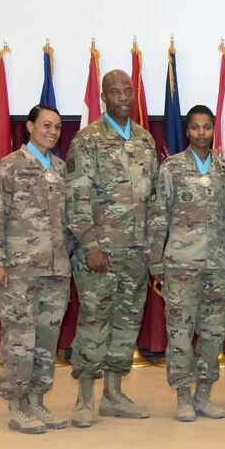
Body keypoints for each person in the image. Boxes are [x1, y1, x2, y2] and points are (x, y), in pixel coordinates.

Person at [66, 69, 158, 427]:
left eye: (127, 91)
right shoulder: (87, 140)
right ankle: (85, 398)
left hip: (135, 253)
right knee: (93, 323)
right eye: (114, 92)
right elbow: (77, 197)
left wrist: (151, 249)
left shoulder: (145, 140)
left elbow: (151, 199)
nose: (122, 97)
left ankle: (113, 394)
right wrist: (90, 245)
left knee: (126, 324)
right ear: (103, 97)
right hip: (100, 253)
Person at [0, 104, 70, 434]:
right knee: (19, 338)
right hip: (17, 271)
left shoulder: (60, 169)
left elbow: (69, 222)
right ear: (30, 126)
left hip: (55, 270)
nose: (52, 132)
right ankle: (16, 406)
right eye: (46, 125)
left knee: (46, 338)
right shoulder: (9, 167)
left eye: (57, 127)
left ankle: (37, 401)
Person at [148, 105, 225, 422]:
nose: (201, 133)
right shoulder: (171, 168)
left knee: (213, 334)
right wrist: (156, 263)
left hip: (218, 266)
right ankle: (183, 396)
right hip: (181, 265)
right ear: (187, 131)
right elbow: (158, 217)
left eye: (207, 127)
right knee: (180, 335)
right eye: (195, 127)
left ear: (213, 130)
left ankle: (205, 394)